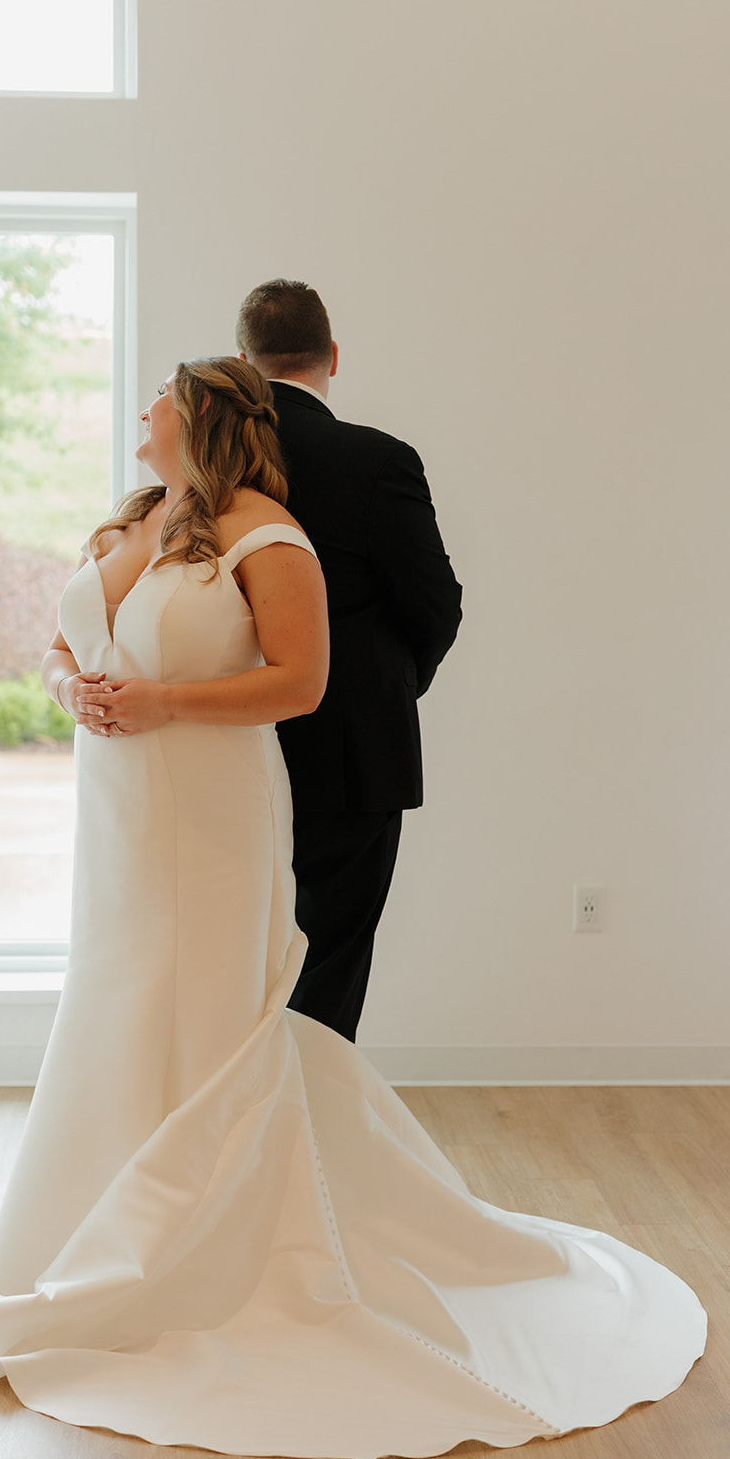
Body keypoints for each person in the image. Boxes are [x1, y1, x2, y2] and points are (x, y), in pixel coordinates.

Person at [0, 356, 705, 1459]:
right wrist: (72, 690)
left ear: (201, 417)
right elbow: (65, 644)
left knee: (209, 1000)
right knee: (117, 989)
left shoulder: (269, 535)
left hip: (208, 806)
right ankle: (91, 1221)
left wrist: (161, 700)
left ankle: (215, 1238)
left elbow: (299, 683)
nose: (143, 408)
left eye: (161, 393)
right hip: (115, 806)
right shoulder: (132, 518)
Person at [236, 279, 463, 1042]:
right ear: (332, 354)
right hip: (354, 747)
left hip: (227, 736)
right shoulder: (377, 459)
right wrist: (391, 685)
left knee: (235, 949)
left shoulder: (210, 467)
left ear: (244, 360)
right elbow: (434, 602)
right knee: (329, 957)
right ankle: (308, 1133)